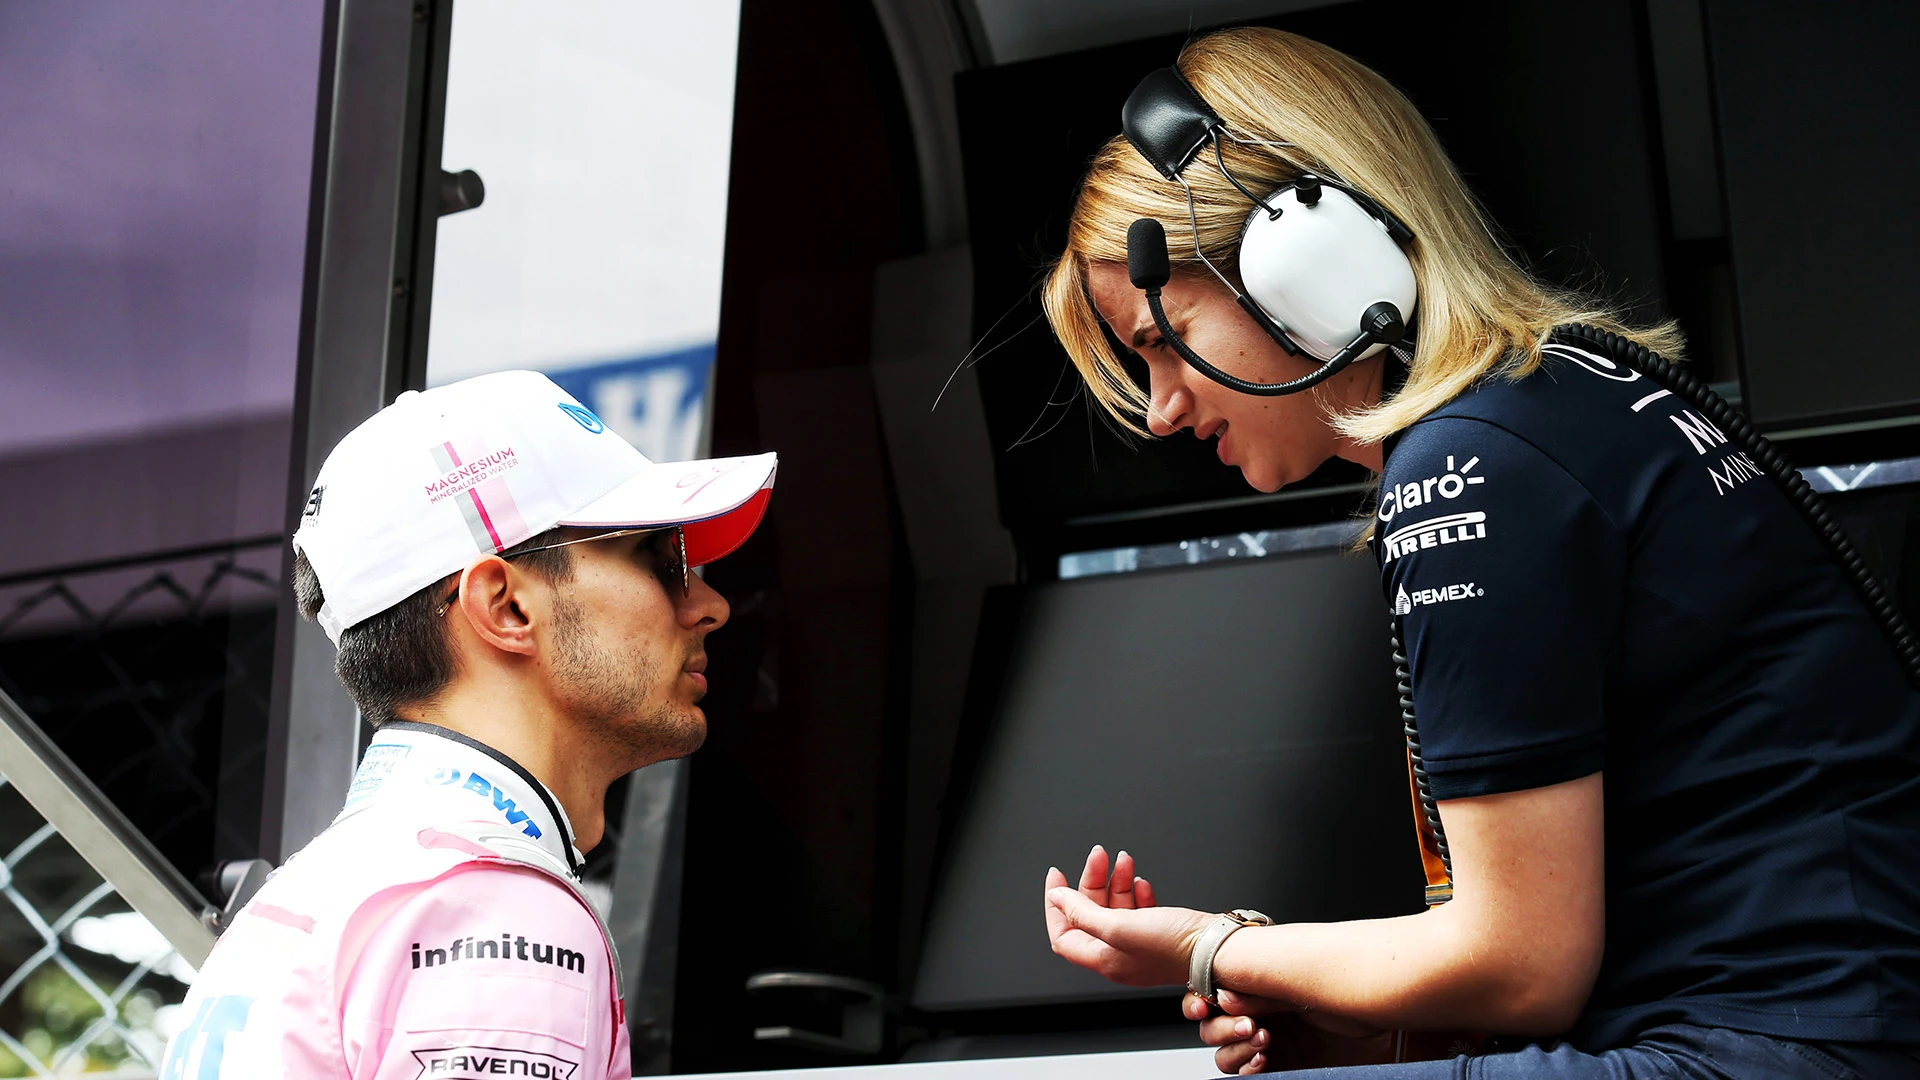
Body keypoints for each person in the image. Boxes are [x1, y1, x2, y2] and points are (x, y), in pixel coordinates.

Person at [1036, 26, 1920, 1079]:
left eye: (1159, 337)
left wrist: (1214, 948)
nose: (1164, 410)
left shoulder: (1470, 467)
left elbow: (1521, 961)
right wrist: (1354, 1029)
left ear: (1295, 255)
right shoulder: (1566, 400)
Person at [158, 371, 776, 1079]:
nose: (710, 605)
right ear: (507, 608)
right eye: (661, 562)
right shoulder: (492, 913)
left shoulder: (321, 895)